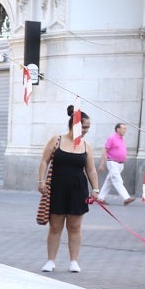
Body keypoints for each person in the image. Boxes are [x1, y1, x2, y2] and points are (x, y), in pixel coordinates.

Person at [38, 105, 100, 273]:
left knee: (74, 227)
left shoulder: (87, 146)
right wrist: (41, 180)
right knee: (55, 226)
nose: (87, 130)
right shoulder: (56, 139)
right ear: (75, 124)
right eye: (84, 126)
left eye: (88, 127)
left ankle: (74, 261)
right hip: (56, 188)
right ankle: (51, 261)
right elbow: (44, 161)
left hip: (78, 190)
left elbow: (91, 169)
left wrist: (96, 189)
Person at [96, 122, 135, 205]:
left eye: (125, 129)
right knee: (117, 180)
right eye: (123, 128)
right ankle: (126, 198)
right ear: (118, 129)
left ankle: (100, 198)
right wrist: (102, 163)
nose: (125, 130)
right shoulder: (112, 138)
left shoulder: (121, 138)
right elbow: (104, 150)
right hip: (112, 162)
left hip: (120, 164)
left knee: (109, 181)